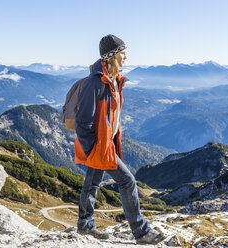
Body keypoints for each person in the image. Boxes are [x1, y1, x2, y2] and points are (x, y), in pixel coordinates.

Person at [74, 34, 165, 245]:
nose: (126, 57)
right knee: (127, 181)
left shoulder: (112, 80)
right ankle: (141, 232)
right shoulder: (95, 82)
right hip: (99, 146)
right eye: (123, 52)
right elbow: (82, 120)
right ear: (112, 56)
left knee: (92, 183)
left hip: (105, 144)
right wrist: (92, 149)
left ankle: (85, 226)